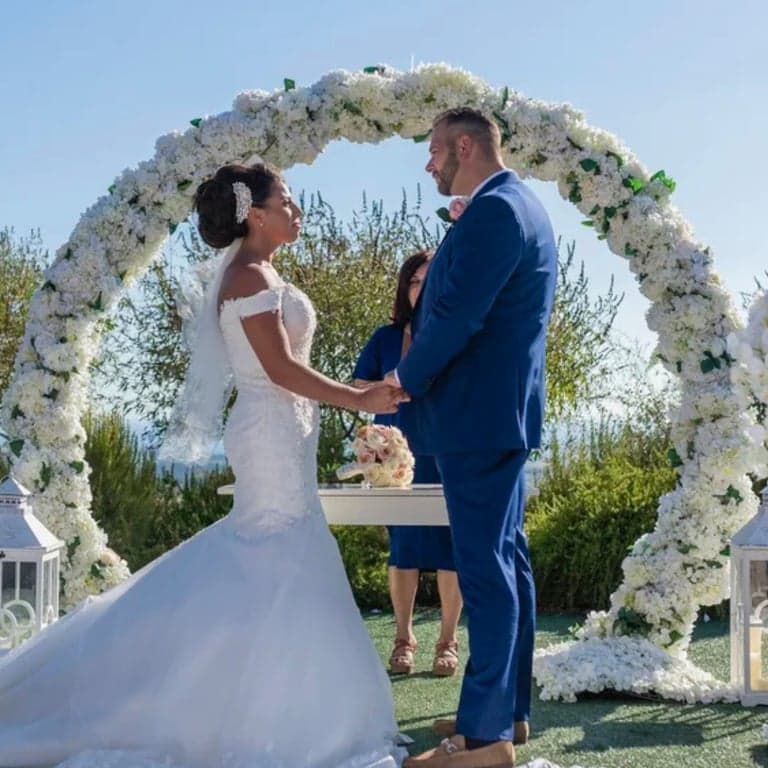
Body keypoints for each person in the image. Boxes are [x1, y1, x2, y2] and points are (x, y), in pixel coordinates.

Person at [0, 163, 409, 768]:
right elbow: (277, 369)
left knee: (275, 559)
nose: (298, 211)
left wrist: (361, 393)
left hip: (286, 431)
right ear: (257, 213)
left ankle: (276, 708)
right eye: (288, 201)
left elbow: (292, 363)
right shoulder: (245, 276)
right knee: (273, 553)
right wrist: (356, 398)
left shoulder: (261, 272)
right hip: (268, 432)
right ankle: (254, 717)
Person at [390, 109, 557, 768]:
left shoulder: (494, 212)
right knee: (507, 559)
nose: (429, 164)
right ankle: (506, 713)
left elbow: (458, 315)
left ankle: (483, 742)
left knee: (485, 571)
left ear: (466, 146)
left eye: (434, 151)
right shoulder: (520, 205)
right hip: (499, 415)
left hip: (477, 418)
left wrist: (401, 380)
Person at [353, 252, 463, 678]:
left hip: (448, 449)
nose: (421, 287)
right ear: (405, 288)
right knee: (405, 549)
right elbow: (361, 384)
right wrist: (392, 388)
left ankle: (448, 641)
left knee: (452, 548)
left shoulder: (457, 333)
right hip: (396, 454)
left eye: (430, 279)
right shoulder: (386, 337)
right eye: (414, 281)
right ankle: (403, 638)